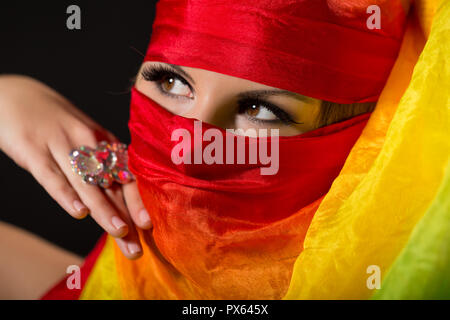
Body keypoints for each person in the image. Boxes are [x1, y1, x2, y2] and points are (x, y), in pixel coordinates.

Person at [1, 0, 449, 299]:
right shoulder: (107, 281)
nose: (188, 148)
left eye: (260, 110)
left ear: (365, 146)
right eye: (171, 81)